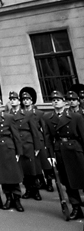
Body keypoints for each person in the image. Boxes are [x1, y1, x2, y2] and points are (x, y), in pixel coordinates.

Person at [42, 90, 84, 220]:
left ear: (64, 102)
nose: (55, 101)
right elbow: (47, 137)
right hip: (60, 151)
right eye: (53, 100)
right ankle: (76, 207)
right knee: (67, 181)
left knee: (82, 178)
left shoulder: (75, 116)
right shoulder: (48, 118)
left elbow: (83, 136)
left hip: (75, 150)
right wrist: (50, 155)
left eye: (58, 99)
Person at [7, 91, 42, 201]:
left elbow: (34, 131)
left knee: (31, 168)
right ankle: (27, 189)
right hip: (17, 144)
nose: (13, 101)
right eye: (11, 99)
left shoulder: (27, 114)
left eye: (15, 99)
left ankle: (35, 191)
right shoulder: (9, 115)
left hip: (28, 143)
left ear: (19, 101)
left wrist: (37, 146)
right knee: (22, 168)